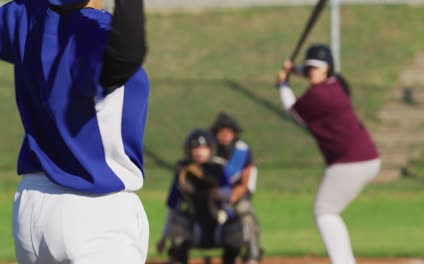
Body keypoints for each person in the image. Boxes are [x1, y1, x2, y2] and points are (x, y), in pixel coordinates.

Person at [1, 0, 150, 262]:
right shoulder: (93, 33)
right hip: (94, 212)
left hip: (31, 209)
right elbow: (126, 54)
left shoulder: (25, 16)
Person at [276, 44, 381, 264]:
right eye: (310, 67)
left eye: (317, 67)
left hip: (351, 161)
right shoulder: (338, 84)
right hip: (364, 157)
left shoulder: (320, 94)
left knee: (325, 211)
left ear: (328, 69)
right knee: (327, 211)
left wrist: (283, 84)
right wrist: (294, 69)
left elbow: (294, 112)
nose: (312, 70)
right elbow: (313, 74)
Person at [157, 129, 243, 264]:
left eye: (203, 148)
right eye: (195, 148)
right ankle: (178, 260)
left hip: (218, 223)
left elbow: (228, 195)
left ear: (211, 149)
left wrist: (211, 189)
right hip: (194, 227)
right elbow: (173, 207)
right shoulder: (183, 171)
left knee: (236, 226)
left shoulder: (218, 168)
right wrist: (164, 237)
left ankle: (230, 260)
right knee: (179, 223)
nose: (199, 151)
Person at [210, 112, 262, 264]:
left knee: (244, 212)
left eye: (228, 132)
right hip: (216, 193)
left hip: (238, 192)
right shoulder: (211, 148)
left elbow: (242, 181)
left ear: (234, 133)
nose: (225, 135)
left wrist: (229, 197)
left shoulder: (241, 149)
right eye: (221, 132)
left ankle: (253, 254)